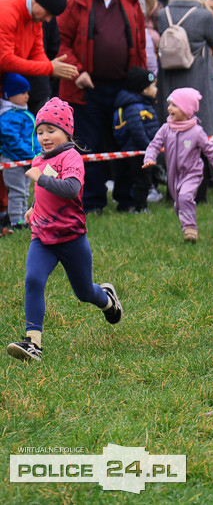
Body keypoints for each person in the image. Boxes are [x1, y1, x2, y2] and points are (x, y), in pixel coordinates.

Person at [6, 98, 123, 362]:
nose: (45, 137)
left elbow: (70, 188)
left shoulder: (71, 157)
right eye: (40, 132)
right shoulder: (39, 158)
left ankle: (107, 299)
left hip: (71, 238)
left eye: (51, 130)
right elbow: (44, 192)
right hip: (42, 237)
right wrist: (33, 208)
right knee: (33, 280)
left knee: (84, 292)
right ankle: (33, 343)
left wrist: (40, 178)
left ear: (67, 132)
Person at [57, 0, 148, 214]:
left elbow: (140, 42)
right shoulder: (75, 0)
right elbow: (62, 42)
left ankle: (127, 199)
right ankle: (93, 201)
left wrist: (142, 78)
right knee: (89, 144)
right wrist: (78, 72)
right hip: (86, 87)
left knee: (125, 142)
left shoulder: (130, 0)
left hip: (124, 86)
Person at [142, 87, 213, 242]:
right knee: (178, 203)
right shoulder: (166, 129)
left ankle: (190, 229)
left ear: (186, 109)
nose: (169, 108)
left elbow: (210, 150)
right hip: (173, 174)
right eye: (169, 105)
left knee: (185, 197)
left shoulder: (196, 131)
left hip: (192, 173)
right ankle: (185, 218)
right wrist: (149, 158)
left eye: (174, 105)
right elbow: (154, 144)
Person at [155, 0, 213, 135]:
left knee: (171, 124)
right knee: (201, 124)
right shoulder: (204, 16)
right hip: (198, 78)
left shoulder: (163, 15)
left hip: (168, 79)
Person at [111, 67, 160, 212]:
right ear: (143, 89)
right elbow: (137, 130)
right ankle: (140, 207)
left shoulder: (144, 103)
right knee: (142, 179)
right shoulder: (134, 107)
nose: (156, 89)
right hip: (138, 150)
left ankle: (131, 205)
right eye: (153, 86)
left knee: (138, 178)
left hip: (140, 149)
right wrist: (149, 147)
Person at [0, 73, 38, 228]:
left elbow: (33, 137)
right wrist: (30, 153)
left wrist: (38, 152)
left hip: (26, 160)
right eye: (22, 92)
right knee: (17, 191)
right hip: (13, 161)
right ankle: (16, 221)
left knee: (25, 191)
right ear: (9, 94)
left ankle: (24, 219)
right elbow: (12, 140)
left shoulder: (25, 114)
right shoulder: (7, 117)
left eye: (27, 92)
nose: (27, 96)